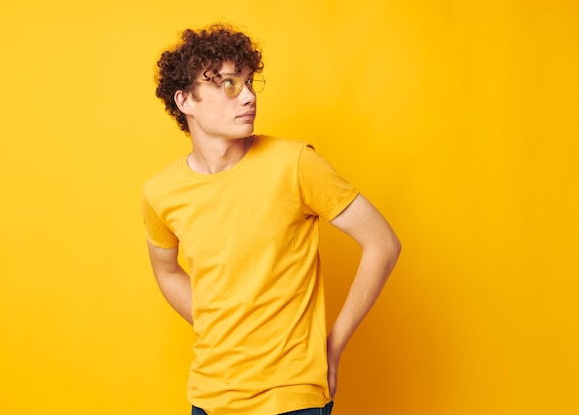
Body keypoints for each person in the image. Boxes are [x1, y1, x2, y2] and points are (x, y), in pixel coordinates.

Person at [142, 24, 401, 415]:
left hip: (293, 396)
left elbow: (382, 243)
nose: (248, 97)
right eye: (229, 85)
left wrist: (334, 345)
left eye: (249, 83)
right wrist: (219, 318)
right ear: (185, 100)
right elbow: (167, 271)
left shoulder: (294, 164)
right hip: (211, 397)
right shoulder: (161, 193)